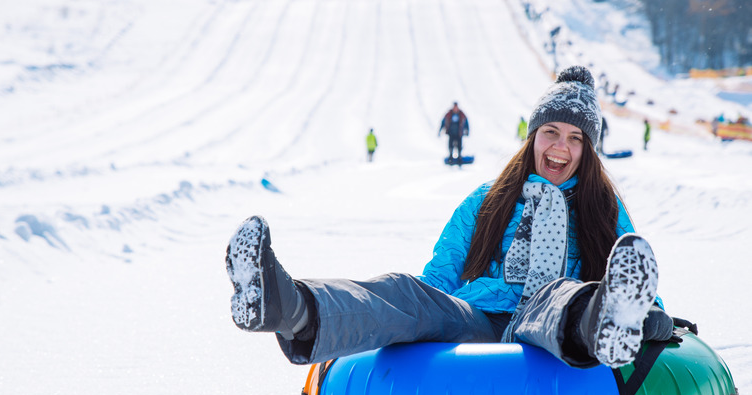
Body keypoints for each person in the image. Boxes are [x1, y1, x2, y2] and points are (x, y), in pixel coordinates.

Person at [225, 66, 674, 370]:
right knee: (406, 292)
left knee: (561, 297)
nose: (561, 147)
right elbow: (441, 274)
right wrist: (422, 311)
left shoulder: (601, 208)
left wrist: (648, 315)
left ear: (588, 151)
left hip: (551, 319)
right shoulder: (488, 200)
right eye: (551, 131)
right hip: (479, 316)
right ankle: (290, 306)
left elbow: (628, 279)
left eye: (576, 138)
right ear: (533, 136)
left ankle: (603, 325)